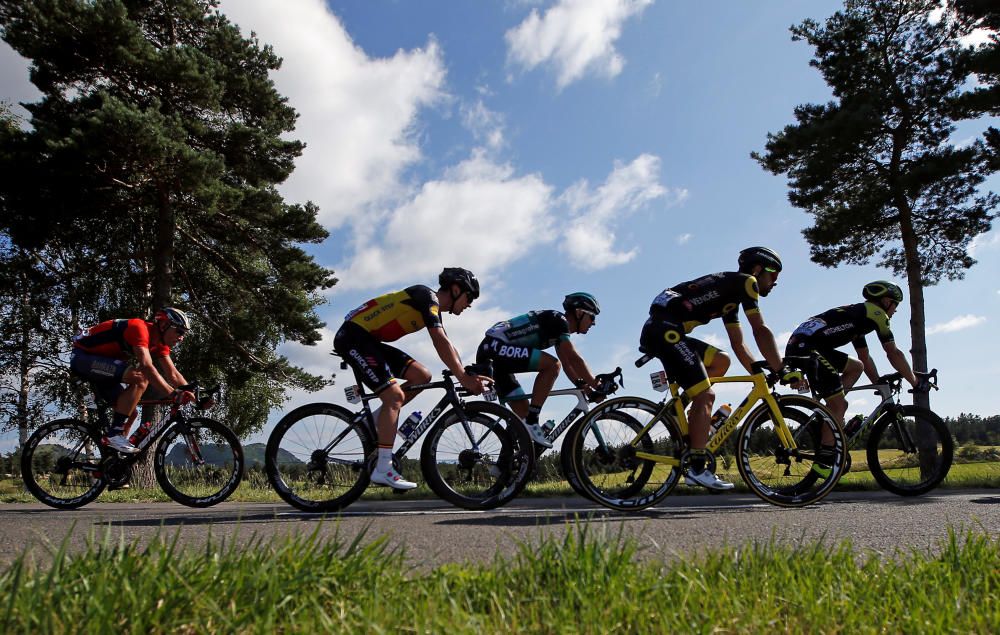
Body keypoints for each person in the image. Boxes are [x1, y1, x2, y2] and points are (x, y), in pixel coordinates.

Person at [639, 246, 787, 490]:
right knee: (706, 394)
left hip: (664, 328)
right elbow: (759, 329)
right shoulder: (746, 282)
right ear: (758, 269)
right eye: (774, 276)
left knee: (721, 361)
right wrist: (780, 367)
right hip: (665, 331)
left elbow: (738, 344)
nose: (775, 282)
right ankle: (697, 467)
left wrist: (757, 373)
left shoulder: (732, 296)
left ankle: (683, 411)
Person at [333, 267, 491, 490]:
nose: (470, 304)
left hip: (368, 341)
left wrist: (465, 373)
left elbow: (446, 342)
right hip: (352, 337)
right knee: (394, 396)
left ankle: (376, 422)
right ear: (456, 290)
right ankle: (383, 468)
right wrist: (462, 378)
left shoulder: (434, 309)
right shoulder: (426, 296)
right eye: (470, 297)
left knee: (422, 376)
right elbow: (439, 341)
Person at [785, 280, 922, 429]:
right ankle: (830, 450)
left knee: (857, 367)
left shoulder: (858, 317)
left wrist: (878, 383)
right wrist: (916, 382)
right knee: (840, 406)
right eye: (896, 304)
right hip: (810, 349)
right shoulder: (877, 314)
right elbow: (893, 353)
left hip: (802, 346)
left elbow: (864, 357)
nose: (895, 310)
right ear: (886, 301)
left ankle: (830, 411)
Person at [475, 292, 603, 447]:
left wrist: (585, 387)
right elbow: (574, 359)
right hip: (496, 348)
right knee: (552, 365)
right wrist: (598, 384)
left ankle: (505, 464)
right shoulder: (559, 321)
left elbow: (568, 364)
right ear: (579, 312)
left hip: (494, 354)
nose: (593, 323)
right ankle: (533, 420)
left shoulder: (558, 332)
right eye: (592, 317)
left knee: (522, 420)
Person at [70, 307, 195, 454]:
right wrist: (173, 394)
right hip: (82, 358)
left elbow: (173, 374)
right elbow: (147, 367)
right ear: (163, 325)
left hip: (103, 364)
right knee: (141, 378)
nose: (181, 338)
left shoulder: (159, 344)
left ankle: (113, 457)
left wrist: (196, 396)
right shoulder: (139, 329)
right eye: (179, 331)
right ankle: (113, 435)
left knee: (130, 411)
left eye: (184, 334)